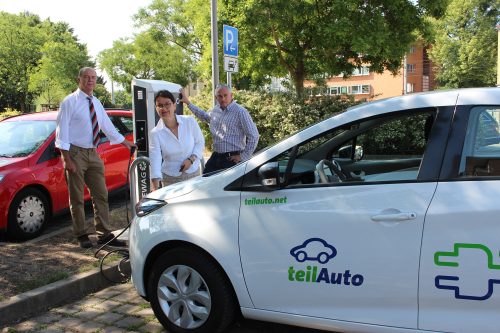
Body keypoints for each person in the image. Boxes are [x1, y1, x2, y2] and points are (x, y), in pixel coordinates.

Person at [55, 67, 136, 249]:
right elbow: (62, 133)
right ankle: (82, 234)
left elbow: (107, 126)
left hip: (93, 152)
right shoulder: (69, 102)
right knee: (76, 197)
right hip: (75, 153)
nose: (90, 80)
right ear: (79, 79)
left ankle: (104, 234)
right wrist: (67, 159)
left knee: (101, 194)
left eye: (93, 77)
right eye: (87, 77)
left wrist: (125, 143)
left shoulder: (96, 102)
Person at [180, 84, 259, 173]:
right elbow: (205, 117)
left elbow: (254, 136)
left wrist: (243, 156)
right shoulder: (216, 109)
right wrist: (188, 103)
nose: (223, 99)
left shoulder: (240, 112)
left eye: (225, 95)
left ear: (231, 95)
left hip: (232, 160)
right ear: (216, 97)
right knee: (205, 182)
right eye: (220, 96)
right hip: (216, 157)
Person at [149, 90, 205, 190]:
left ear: (174, 105)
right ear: (156, 108)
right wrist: (154, 188)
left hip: (193, 174)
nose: (164, 108)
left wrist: (191, 159)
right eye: (160, 105)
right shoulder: (155, 133)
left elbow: (200, 142)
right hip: (170, 179)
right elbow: (155, 159)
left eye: (167, 104)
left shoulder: (189, 121)